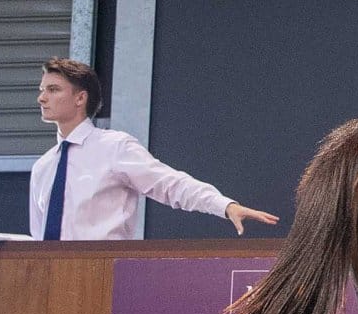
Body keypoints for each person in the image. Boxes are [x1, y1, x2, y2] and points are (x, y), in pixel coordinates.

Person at [30, 58, 278, 240]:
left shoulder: (113, 147)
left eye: (53, 90)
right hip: (51, 281)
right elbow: (38, 236)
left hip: (102, 276)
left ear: (80, 98)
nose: (42, 98)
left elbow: (170, 184)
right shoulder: (43, 167)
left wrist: (224, 205)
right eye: (42, 91)